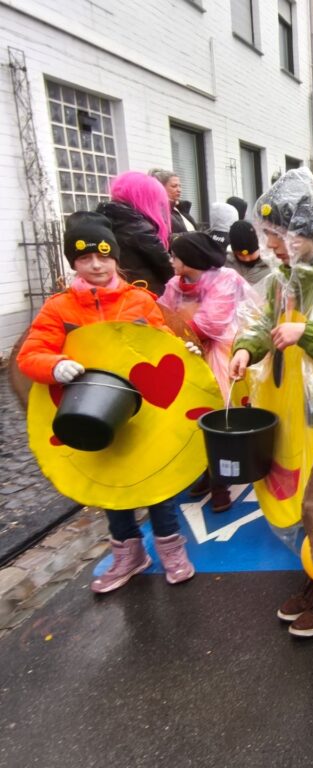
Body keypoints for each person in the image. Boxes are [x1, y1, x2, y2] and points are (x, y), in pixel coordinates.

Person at [16, 212, 196, 592]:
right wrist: (56, 364)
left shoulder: (139, 301)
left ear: (115, 258)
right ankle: (129, 554)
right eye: (84, 258)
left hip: (142, 411)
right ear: (74, 263)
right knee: (111, 486)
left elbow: (164, 345)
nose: (96, 265)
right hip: (91, 411)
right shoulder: (58, 309)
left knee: (156, 483)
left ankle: (171, 550)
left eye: (103, 256)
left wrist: (185, 352)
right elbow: (30, 355)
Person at [229, 168, 313, 638]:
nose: (269, 244)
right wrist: (246, 348)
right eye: (267, 235)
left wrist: (306, 332)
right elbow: (262, 322)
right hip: (293, 412)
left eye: (276, 234)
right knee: (300, 503)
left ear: (304, 231)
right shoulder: (281, 279)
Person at [159, 232, 261, 512]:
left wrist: (178, 330)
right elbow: (162, 318)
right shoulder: (173, 285)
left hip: (221, 354)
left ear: (189, 258)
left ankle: (220, 482)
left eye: (175, 255)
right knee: (189, 418)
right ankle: (204, 472)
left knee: (217, 417)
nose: (171, 261)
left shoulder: (225, 279)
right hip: (187, 354)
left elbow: (211, 324)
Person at [96, 171, 175, 296]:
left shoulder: (103, 221)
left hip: (113, 293)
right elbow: (168, 270)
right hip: (145, 295)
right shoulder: (139, 228)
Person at [225, 220, 272, 286]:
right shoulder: (226, 264)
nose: (247, 259)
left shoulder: (271, 266)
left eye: (251, 253)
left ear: (257, 247)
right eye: (240, 255)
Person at [149, 168, 197, 233]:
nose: (179, 190)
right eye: (174, 186)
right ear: (160, 188)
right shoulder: (157, 212)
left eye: (180, 186)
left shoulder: (180, 209)